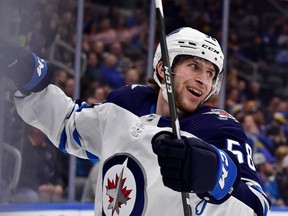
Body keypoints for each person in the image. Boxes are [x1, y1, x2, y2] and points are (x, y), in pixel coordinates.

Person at [0, 27, 270, 215]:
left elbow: (257, 206)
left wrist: (216, 175)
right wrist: (32, 86)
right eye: (194, 66)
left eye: (211, 73)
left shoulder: (219, 129)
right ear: (165, 68)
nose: (203, 79)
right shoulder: (126, 105)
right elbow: (69, 126)